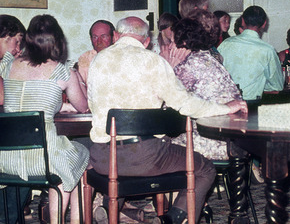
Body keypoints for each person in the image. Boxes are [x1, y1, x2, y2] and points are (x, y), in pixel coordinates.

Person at [87, 16, 247, 224]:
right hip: (143, 157)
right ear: (146, 42)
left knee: (132, 160)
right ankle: (174, 218)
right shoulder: (154, 61)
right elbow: (186, 104)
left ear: (116, 36)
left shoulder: (97, 61)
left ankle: (110, 206)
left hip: (102, 158)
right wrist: (225, 108)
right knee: (205, 169)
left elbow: (92, 105)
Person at [0, 14, 89, 224]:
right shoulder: (63, 72)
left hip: (6, 160)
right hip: (43, 162)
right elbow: (83, 107)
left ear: (28, 39)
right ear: (58, 40)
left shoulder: (8, 65)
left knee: (71, 161)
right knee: (81, 157)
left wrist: (58, 104)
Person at [168, 17, 242, 160]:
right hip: (234, 138)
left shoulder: (190, 65)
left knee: (160, 148)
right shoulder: (208, 59)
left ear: (183, 43)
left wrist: (170, 66)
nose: (170, 47)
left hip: (214, 141)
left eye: (172, 42)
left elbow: (167, 101)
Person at [218, 6, 284, 103]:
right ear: (264, 24)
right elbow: (277, 85)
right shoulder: (267, 50)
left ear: (243, 21)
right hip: (250, 105)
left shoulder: (225, 44)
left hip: (225, 103)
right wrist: (259, 84)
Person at [0, 14, 30, 224]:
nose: (19, 47)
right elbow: (4, 96)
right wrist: (12, 59)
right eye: (16, 40)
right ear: (3, 36)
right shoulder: (6, 63)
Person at [75, 20, 115, 86]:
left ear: (114, 37)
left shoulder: (122, 56)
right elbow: (82, 87)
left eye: (104, 36)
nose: (99, 41)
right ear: (91, 39)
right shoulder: (86, 59)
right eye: (95, 37)